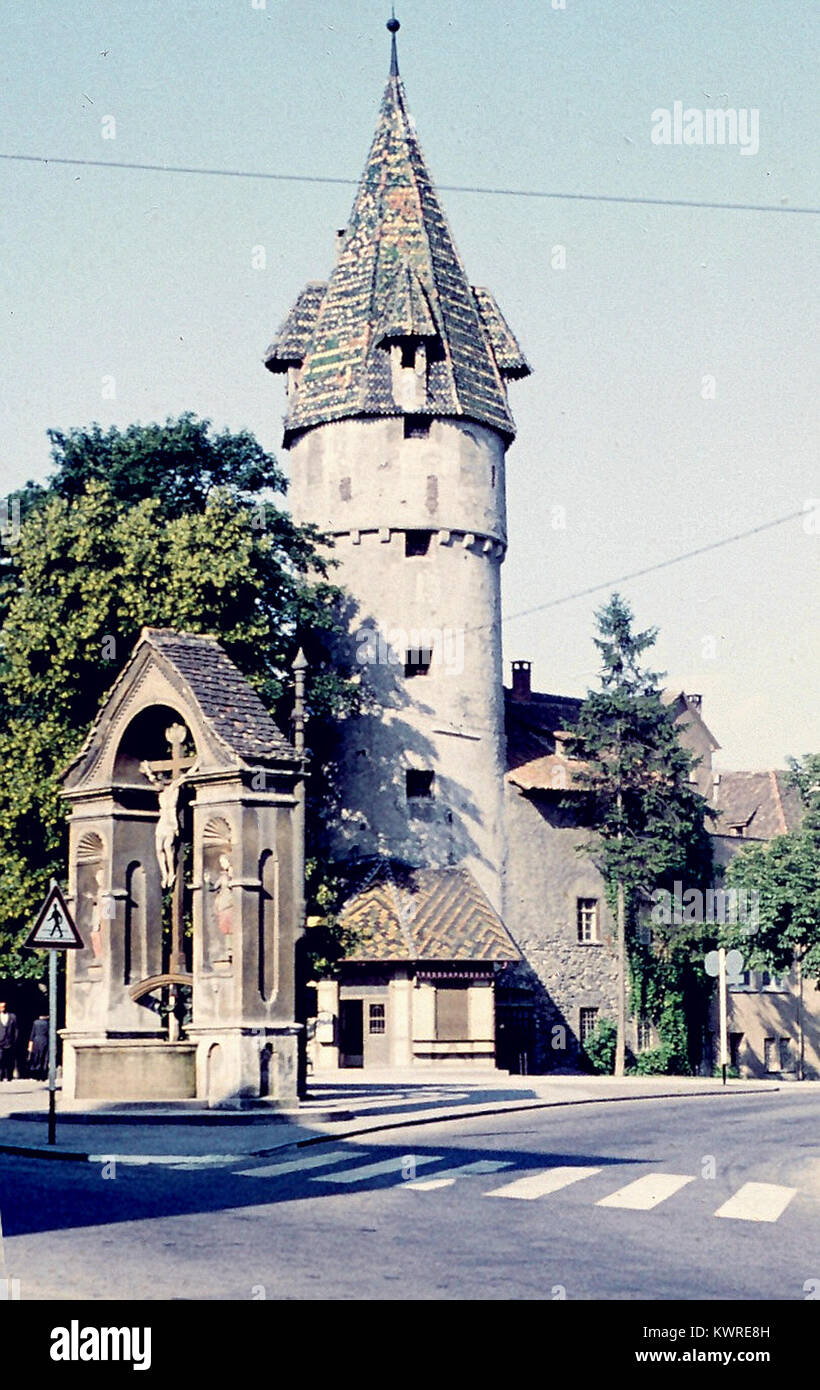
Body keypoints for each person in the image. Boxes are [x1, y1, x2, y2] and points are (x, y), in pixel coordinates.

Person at [0, 1002, 19, 1081]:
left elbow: (16, 1029)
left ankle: (9, 1076)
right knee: (0, 1059)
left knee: (9, 1059)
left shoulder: (12, 1017)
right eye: (1, 1007)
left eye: (4, 1007)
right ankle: (0, 1076)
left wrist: (15, 1040)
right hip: (0, 1042)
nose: (2, 1008)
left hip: (9, 1042)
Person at [27, 1014, 49, 1080]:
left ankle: (36, 1075)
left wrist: (30, 1044)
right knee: (43, 1058)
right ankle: (42, 1075)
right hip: (44, 1040)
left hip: (36, 1041)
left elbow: (32, 1034)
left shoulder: (35, 1023)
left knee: (36, 1058)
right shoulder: (47, 1023)